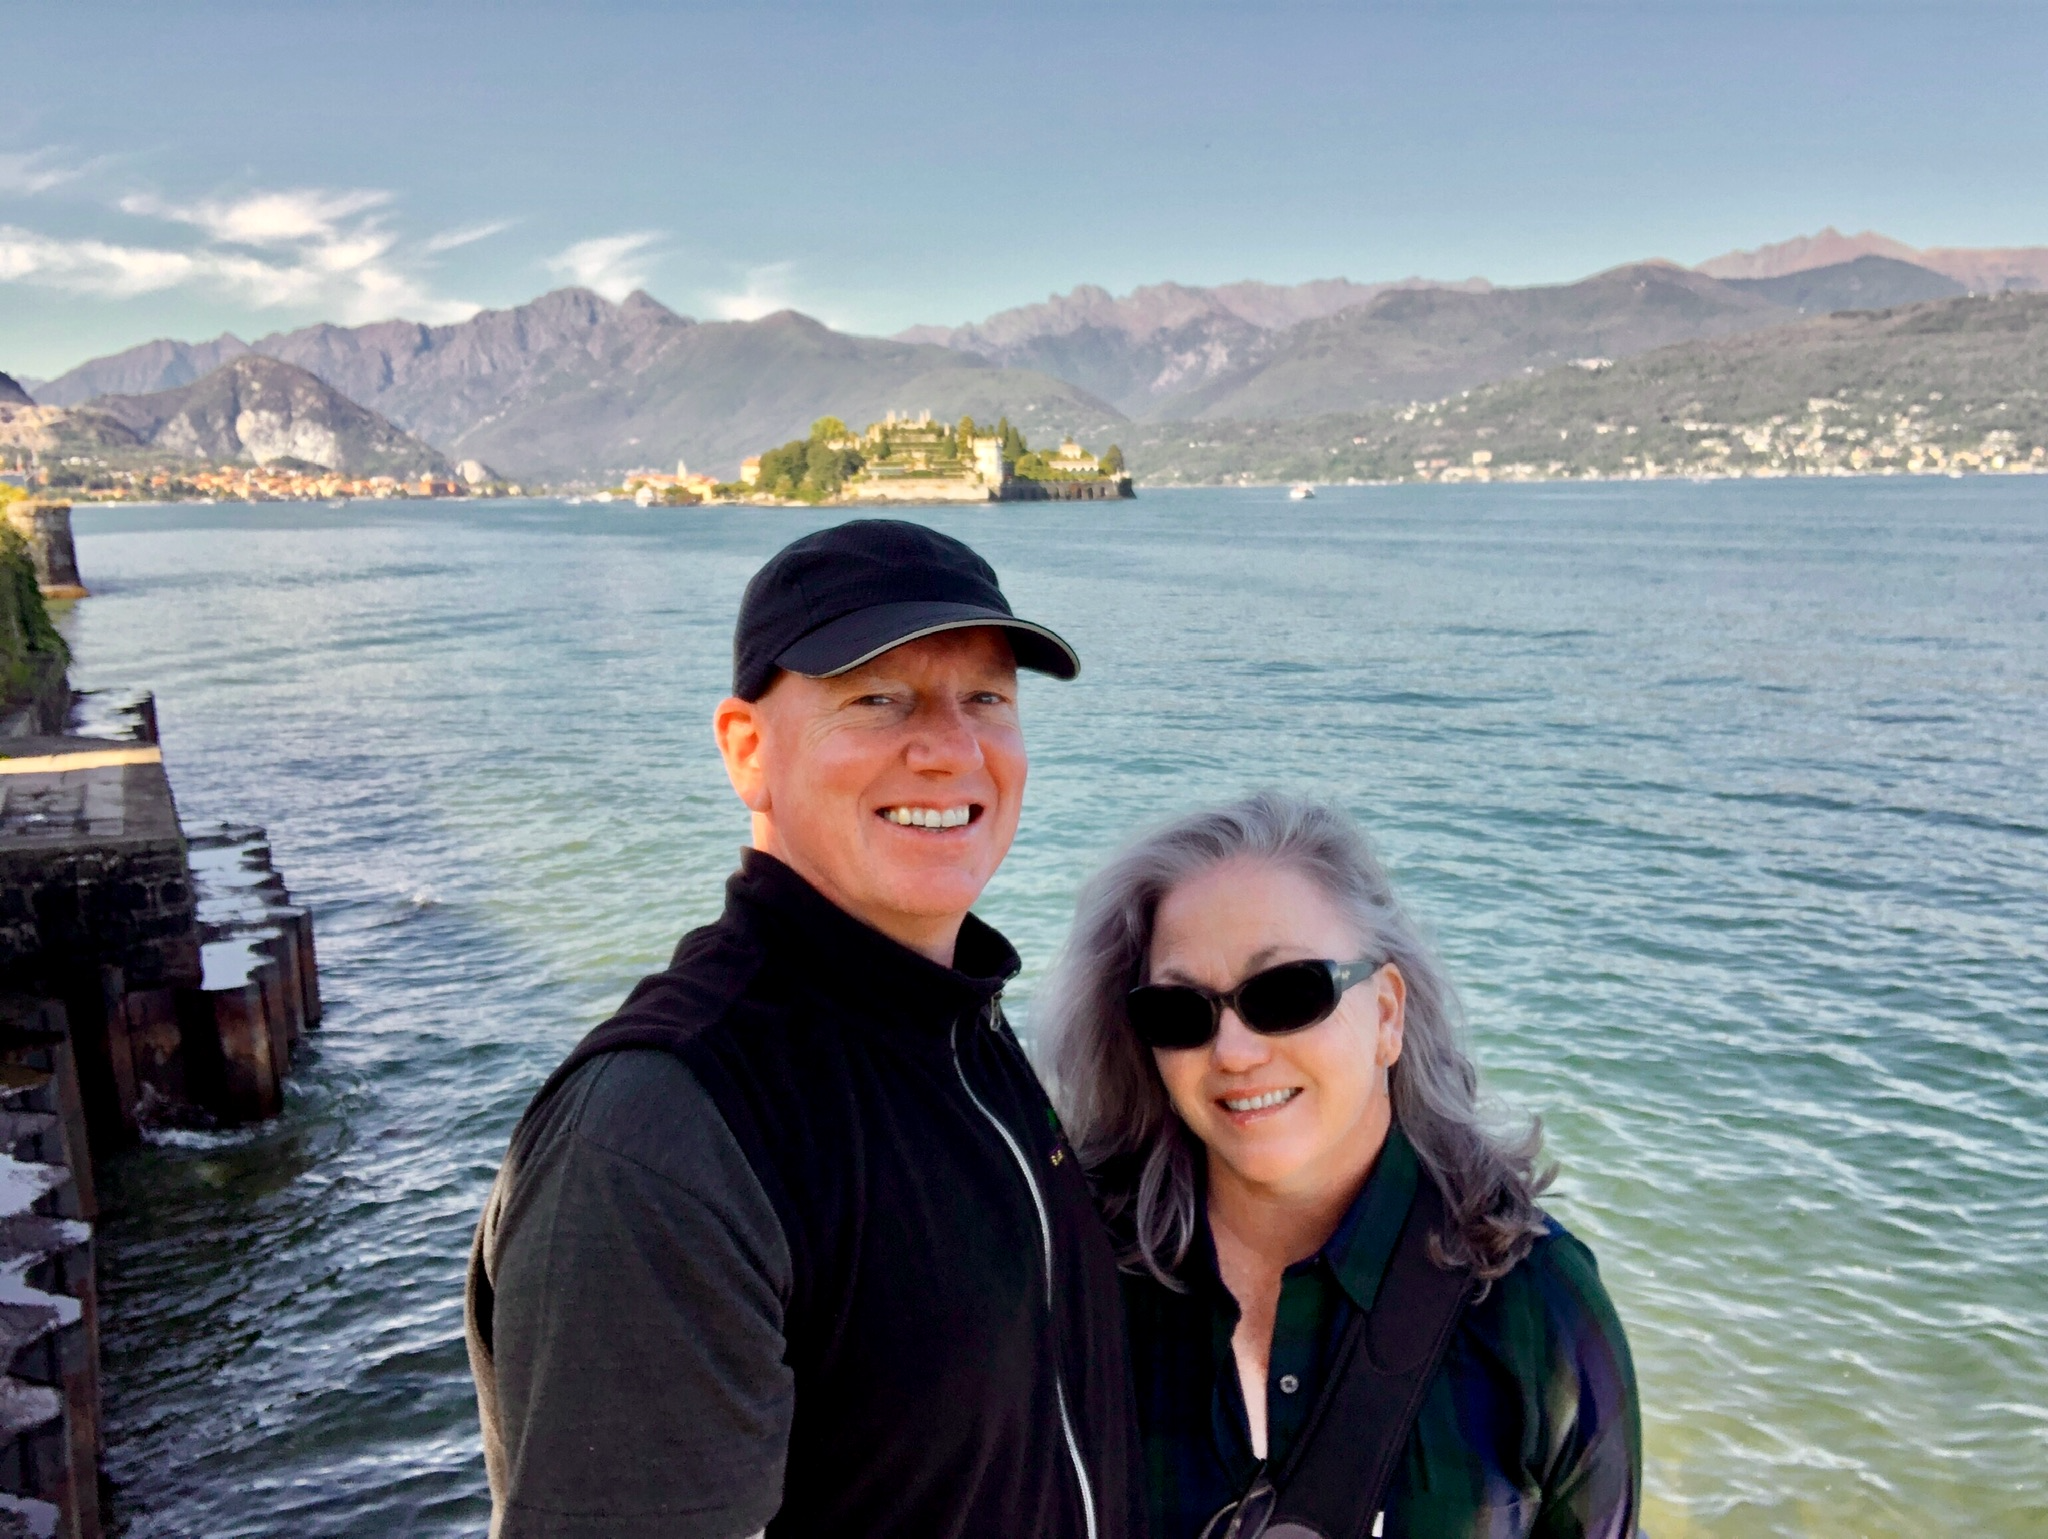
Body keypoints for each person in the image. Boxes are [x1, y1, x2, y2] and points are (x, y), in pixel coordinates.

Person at [465, 519, 1143, 1539]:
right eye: (877, 699)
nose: (950, 749)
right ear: (747, 750)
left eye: (986, 700)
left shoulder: (958, 1031)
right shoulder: (661, 1134)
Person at [1039, 793, 1640, 1539]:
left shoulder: (1536, 1306)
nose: (1233, 1052)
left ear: (1388, 1014)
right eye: (1181, 1011)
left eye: (1287, 992)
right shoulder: (1079, 1277)